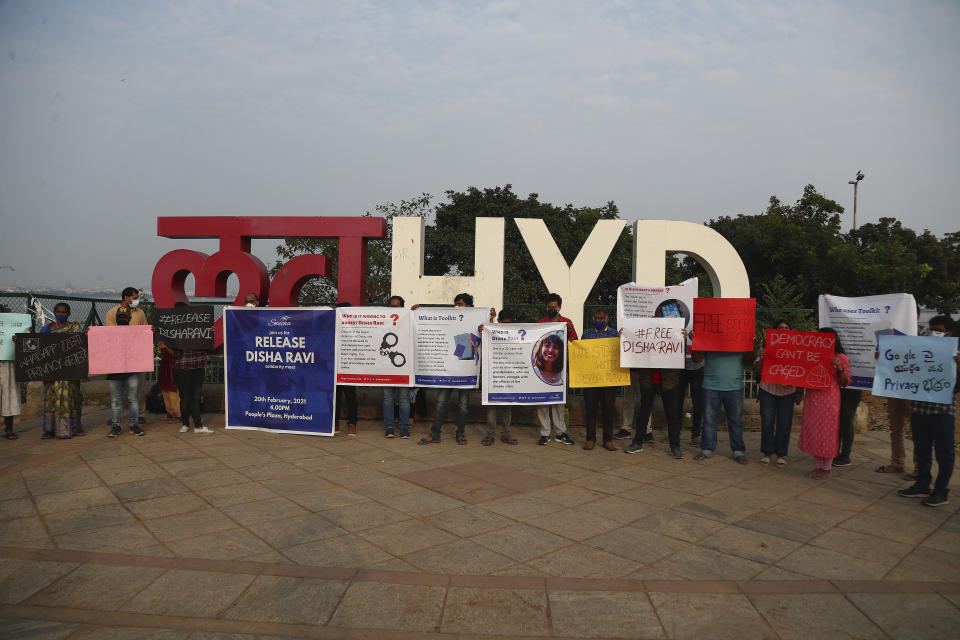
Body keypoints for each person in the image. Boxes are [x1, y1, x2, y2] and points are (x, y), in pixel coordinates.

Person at [418, 293, 494, 445]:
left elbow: (488, 339)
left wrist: (489, 321)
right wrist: (418, 312)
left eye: (460, 304)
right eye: (456, 304)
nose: (457, 307)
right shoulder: (452, 316)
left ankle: (460, 433)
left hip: (465, 369)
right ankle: (435, 434)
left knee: (463, 405)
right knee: (441, 402)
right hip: (448, 368)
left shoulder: (478, 319)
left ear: (469, 306)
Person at [898, 316, 958, 507]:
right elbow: (903, 366)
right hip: (920, 410)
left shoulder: (956, 354)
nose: (933, 333)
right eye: (931, 329)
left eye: (938, 330)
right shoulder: (920, 350)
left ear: (950, 332)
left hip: (942, 411)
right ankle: (922, 484)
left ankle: (941, 491)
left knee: (944, 454)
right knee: (921, 450)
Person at [796, 328, 850, 479]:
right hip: (813, 398)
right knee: (814, 431)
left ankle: (826, 468)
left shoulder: (841, 358)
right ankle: (818, 466)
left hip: (830, 400)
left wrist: (840, 369)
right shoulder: (812, 356)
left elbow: (845, 383)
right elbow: (802, 374)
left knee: (828, 433)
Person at [693, 345, 754, 464]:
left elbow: (748, 361)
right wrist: (696, 343)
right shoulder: (709, 337)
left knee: (735, 422)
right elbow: (697, 359)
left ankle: (738, 451)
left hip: (734, 387)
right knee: (709, 421)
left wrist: (751, 345)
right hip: (711, 386)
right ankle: (706, 449)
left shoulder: (740, 338)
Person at [753, 319, 799, 466]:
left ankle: (781, 454)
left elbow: (801, 371)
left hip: (788, 391)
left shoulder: (796, 349)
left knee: (784, 424)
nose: (783, 330)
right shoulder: (766, 347)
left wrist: (799, 391)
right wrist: (762, 358)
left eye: (786, 327)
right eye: (780, 327)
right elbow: (758, 369)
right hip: (768, 390)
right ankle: (767, 452)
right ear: (775, 331)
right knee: (767, 422)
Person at [37, 303, 85, 439]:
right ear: (54, 312)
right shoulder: (46, 329)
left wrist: (86, 335)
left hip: (70, 371)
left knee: (73, 399)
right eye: (58, 312)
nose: (61, 314)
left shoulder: (75, 328)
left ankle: (76, 427)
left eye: (64, 312)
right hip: (52, 371)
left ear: (69, 314)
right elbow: (38, 345)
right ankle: (49, 430)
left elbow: (81, 346)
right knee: (50, 399)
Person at [105, 288, 148, 437]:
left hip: (133, 360)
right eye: (134, 297)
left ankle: (133, 424)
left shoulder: (140, 313)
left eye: (137, 297)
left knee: (132, 396)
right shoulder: (112, 313)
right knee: (115, 397)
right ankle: (116, 425)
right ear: (126, 297)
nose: (137, 300)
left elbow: (144, 334)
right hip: (116, 360)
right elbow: (109, 335)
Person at [535, 293, 576, 446]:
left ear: (560, 307)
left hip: (561, 370)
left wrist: (571, 331)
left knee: (559, 403)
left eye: (554, 307)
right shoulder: (540, 323)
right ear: (546, 307)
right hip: (542, 371)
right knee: (543, 403)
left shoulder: (567, 322)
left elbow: (574, 343)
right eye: (549, 307)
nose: (552, 309)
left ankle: (560, 433)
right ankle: (545, 433)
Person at [581, 309, 619, 451]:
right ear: (593, 319)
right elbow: (581, 353)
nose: (598, 320)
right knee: (590, 409)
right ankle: (590, 438)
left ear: (607, 319)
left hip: (609, 379)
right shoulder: (587, 334)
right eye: (596, 318)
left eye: (601, 318)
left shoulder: (615, 334)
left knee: (608, 409)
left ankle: (608, 439)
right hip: (591, 379)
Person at [483, 309, 517, 446]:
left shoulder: (515, 333)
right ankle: (490, 435)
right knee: (492, 407)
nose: (507, 327)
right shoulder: (495, 330)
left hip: (509, 375)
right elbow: (489, 332)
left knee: (507, 408)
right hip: (494, 373)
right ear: (500, 322)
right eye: (504, 324)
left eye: (510, 324)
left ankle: (506, 434)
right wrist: (491, 319)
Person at [383, 295, 411, 438]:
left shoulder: (409, 318)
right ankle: (389, 427)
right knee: (388, 398)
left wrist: (415, 313)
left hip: (403, 368)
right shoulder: (382, 319)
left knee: (404, 398)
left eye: (397, 307)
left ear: (402, 307)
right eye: (391, 306)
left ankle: (404, 427)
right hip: (386, 367)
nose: (393, 309)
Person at [334, 302, 359, 436]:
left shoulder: (356, 326)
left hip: (350, 366)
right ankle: (335, 424)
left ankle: (352, 424)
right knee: (335, 397)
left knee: (351, 397)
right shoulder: (332, 323)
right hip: (335, 366)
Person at [1, 303, 23, 440]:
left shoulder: (10, 327)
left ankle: (9, 429)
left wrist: (21, 337)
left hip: (7, 363)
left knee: (8, 396)